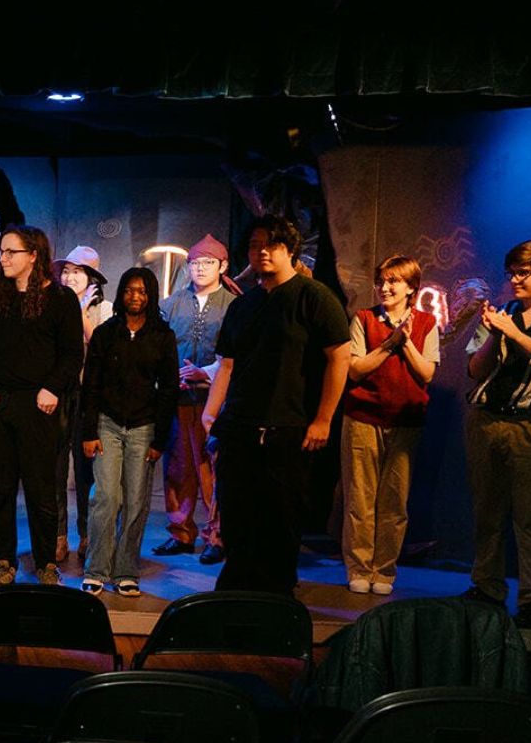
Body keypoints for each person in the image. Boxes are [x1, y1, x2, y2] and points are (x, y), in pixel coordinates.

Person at [201, 214, 350, 596]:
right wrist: (210, 412)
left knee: (281, 517)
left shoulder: (314, 297)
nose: (262, 252)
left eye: (272, 244)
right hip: (239, 426)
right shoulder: (243, 305)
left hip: (289, 426)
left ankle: (277, 596)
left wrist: (323, 419)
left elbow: (339, 357)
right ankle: (234, 594)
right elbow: (227, 363)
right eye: (255, 245)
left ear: (290, 249)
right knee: (236, 514)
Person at [0, 225, 82, 585]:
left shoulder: (61, 299)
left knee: (41, 490)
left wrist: (52, 387)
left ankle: (45, 562)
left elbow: (72, 355)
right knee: (0, 489)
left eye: (12, 252)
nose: (3, 258)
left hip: (39, 406)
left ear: (33, 255)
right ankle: (3, 561)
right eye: (2, 252)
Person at [463, 239, 531, 628]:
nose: (515, 280)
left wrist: (516, 335)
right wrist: (495, 335)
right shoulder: (504, 313)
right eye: (511, 273)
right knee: (487, 512)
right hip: (487, 422)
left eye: (523, 273)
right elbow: (475, 370)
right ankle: (487, 587)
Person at [341, 255, 438, 595]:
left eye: (394, 281)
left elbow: (427, 373)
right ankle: (359, 567)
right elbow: (355, 370)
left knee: (395, 501)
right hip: (363, 417)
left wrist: (405, 341)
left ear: (411, 288)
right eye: (381, 281)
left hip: (406, 422)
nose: (385, 287)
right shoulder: (364, 318)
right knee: (360, 498)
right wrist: (389, 343)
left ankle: (384, 570)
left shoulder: (426, 322)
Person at [79, 267, 178, 597]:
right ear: (121, 294)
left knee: (136, 502)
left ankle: (126, 571)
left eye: (142, 291)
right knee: (106, 498)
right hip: (107, 424)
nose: (135, 296)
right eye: (129, 290)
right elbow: (91, 385)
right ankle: (96, 569)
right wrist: (88, 432)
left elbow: (169, 389)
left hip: (144, 428)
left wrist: (160, 439)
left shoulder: (162, 336)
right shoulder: (106, 333)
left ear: (151, 296)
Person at [155, 233, 233, 564]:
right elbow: (157, 349)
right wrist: (168, 374)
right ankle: (181, 532)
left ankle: (217, 535)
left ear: (223, 266)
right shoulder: (170, 304)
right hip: (179, 400)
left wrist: (207, 373)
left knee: (214, 468)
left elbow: (237, 355)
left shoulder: (233, 305)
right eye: (195, 263)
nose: (200, 268)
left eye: (208, 263)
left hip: (217, 401)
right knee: (178, 467)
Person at [52, 245, 112, 564]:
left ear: (92, 278)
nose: (70, 277)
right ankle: (58, 535)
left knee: (87, 471)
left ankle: (87, 534)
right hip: (59, 395)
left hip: (90, 398)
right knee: (56, 468)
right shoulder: (52, 305)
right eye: (66, 271)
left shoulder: (105, 309)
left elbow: (100, 347)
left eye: (77, 272)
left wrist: (80, 312)